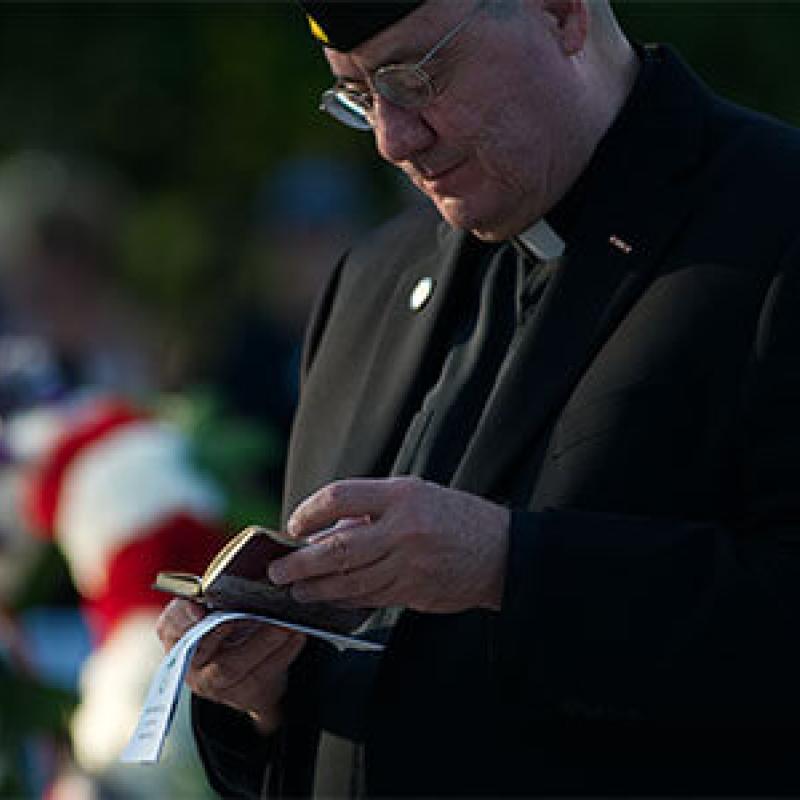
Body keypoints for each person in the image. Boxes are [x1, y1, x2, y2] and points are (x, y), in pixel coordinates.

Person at [157, 0, 800, 795]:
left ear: (561, 14)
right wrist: (259, 694)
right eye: (360, 96)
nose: (394, 139)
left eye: (418, 74)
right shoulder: (371, 280)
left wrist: (506, 565)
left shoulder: (776, 222)